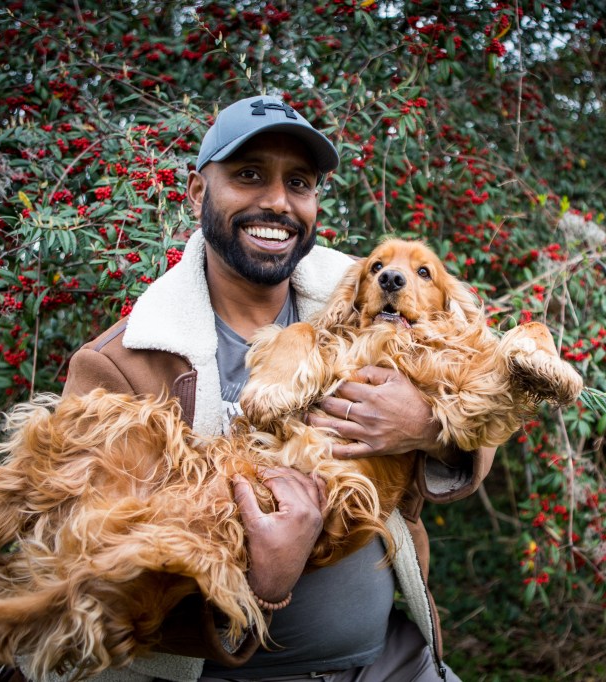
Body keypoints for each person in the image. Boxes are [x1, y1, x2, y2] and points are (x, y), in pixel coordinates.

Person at [60, 95, 494, 682]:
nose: (276, 202)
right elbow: (82, 572)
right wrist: (259, 584)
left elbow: (484, 396)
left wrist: (427, 424)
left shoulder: (364, 294)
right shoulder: (125, 361)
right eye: (248, 175)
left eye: (299, 183)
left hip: (391, 659)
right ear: (195, 192)